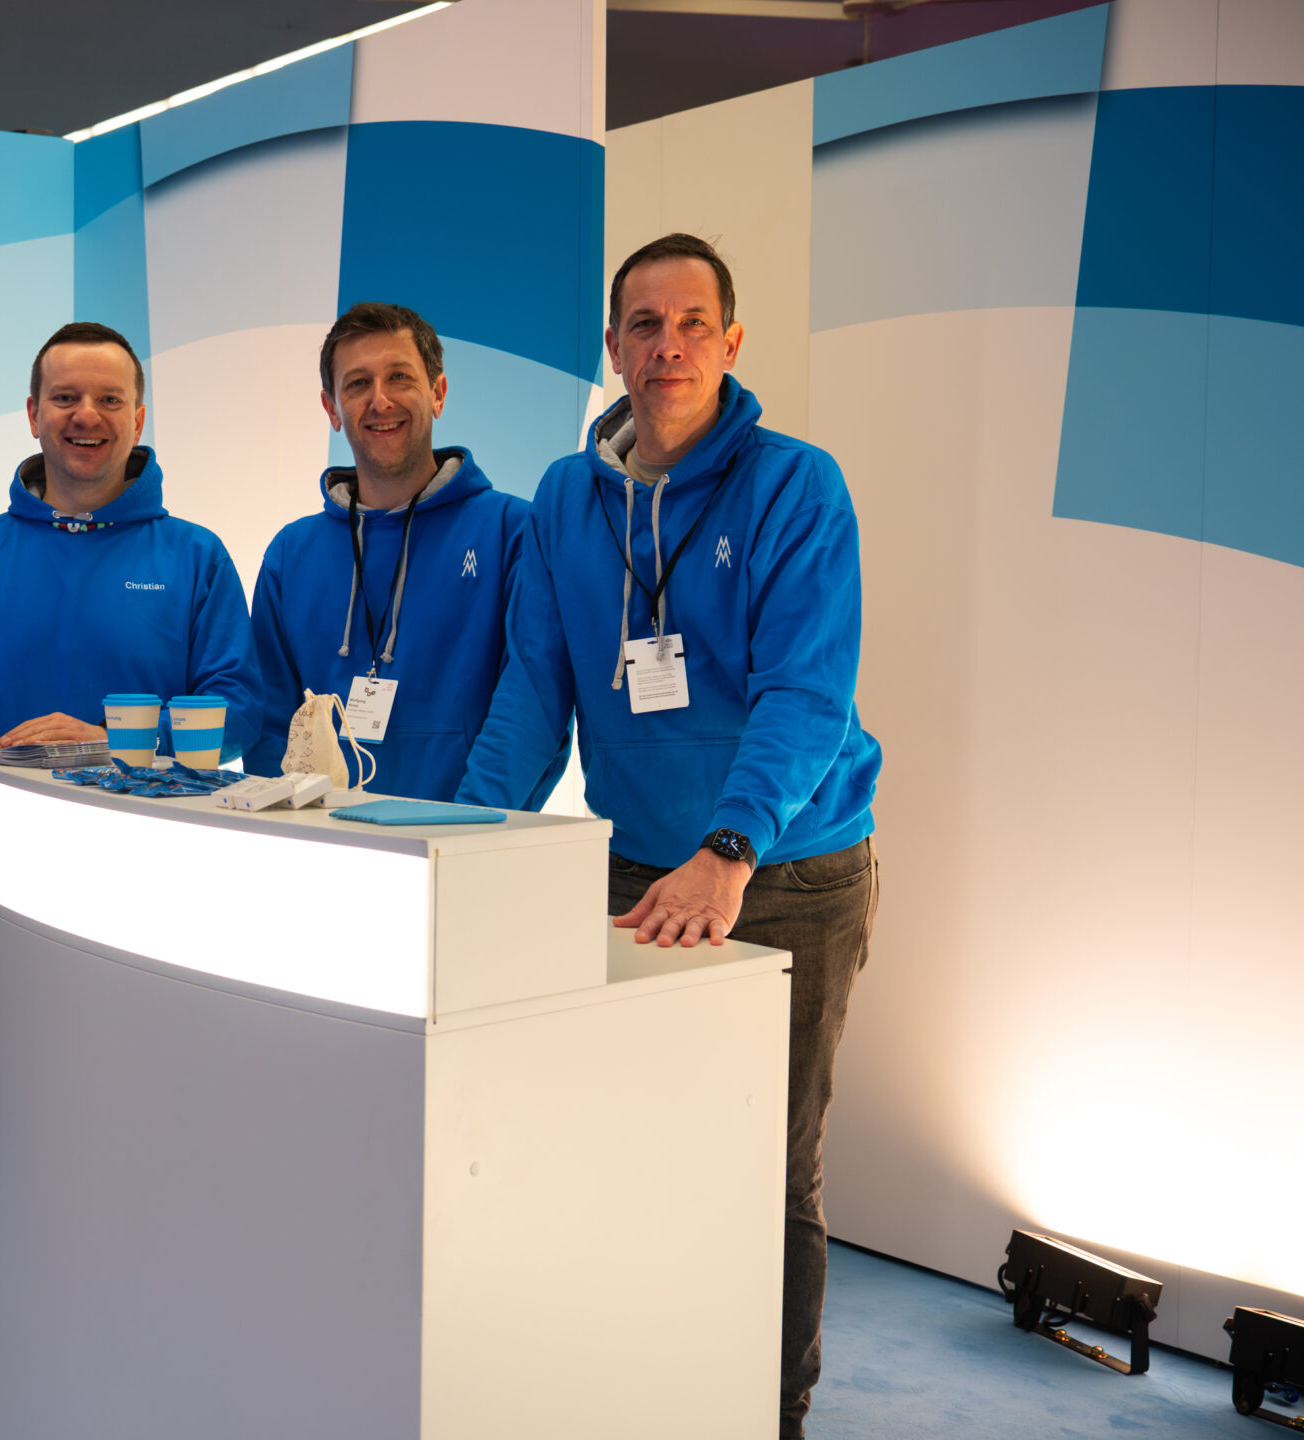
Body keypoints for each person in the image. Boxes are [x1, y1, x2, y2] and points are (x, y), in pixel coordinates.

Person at [456, 234, 883, 1439]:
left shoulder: (796, 486)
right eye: (644, 325)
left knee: (768, 1164)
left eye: (694, 323)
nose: (669, 346)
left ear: (731, 343)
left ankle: (769, 1412)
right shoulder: (564, 496)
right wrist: (470, 831)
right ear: (613, 348)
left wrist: (730, 848)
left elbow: (807, 693)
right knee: (637, 1153)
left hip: (783, 871)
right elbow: (536, 685)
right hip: (637, 869)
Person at [0, 321, 258, 792]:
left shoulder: (197, 557)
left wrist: (117, 743)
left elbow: (238, 708)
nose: (86, 415)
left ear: (137, 422)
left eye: (110, 399)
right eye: (65, 398)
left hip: (154, 826)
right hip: (3, 822)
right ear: (33, 415)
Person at [244, 302, 564, 805]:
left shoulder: (514, 531)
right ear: (332, 409)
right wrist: (293, 824)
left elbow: (533, 705)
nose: (380, 400)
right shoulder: (291, 554)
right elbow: (270, 723)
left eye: (399, 377)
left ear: (437, 393)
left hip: (467, 837)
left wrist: (468, 826)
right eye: (358, 384)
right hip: (323, 839)